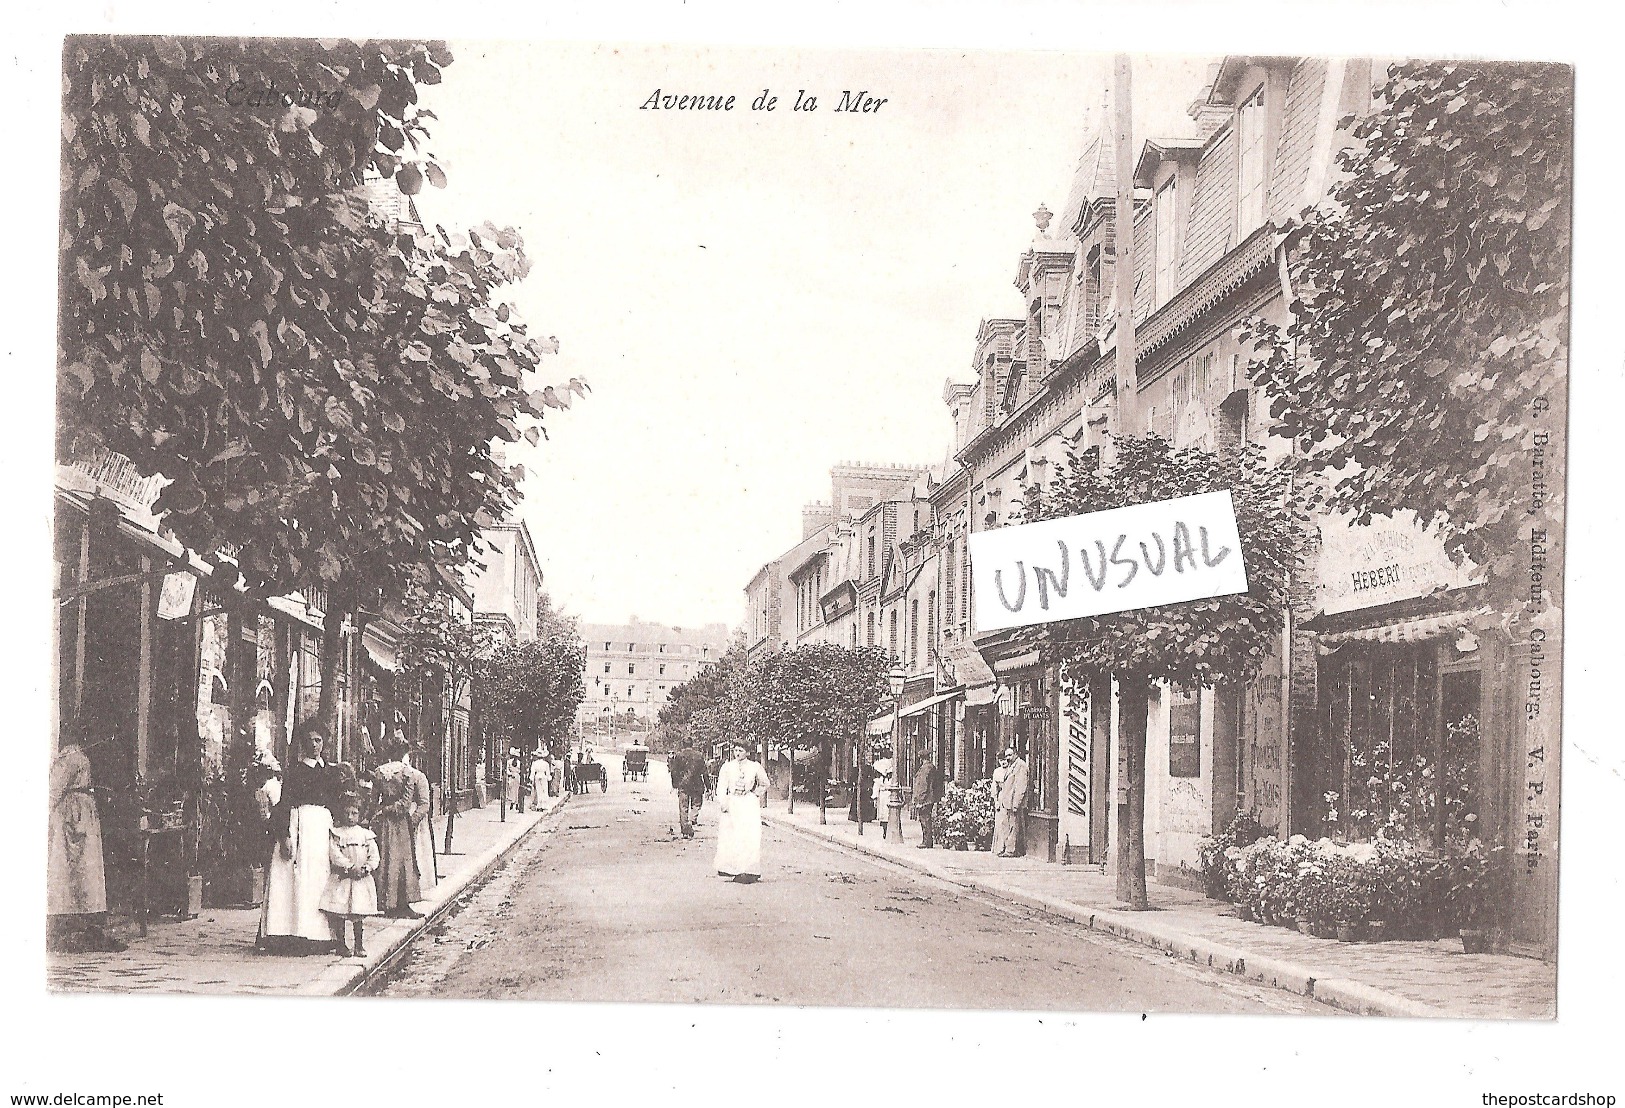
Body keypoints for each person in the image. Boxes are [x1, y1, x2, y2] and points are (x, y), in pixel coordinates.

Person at [259, 726, 341, 954]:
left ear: (324, 743)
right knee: (294, 879)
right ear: (303, 744)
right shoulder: (295, 771)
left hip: (321, 828)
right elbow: (283, 804)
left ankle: (320, 935)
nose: (314, 745)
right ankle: (290, 933)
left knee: (318, 879)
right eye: (310, 741)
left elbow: (335, 804)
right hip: (299, 825)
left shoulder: (330, 772)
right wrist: (284, 835)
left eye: (318, 740)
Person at [47, 730, 122, 952]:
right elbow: (53, 791)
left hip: (82, 812)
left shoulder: (78, 756)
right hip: (72, 814)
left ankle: (89, 923)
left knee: (87, 872)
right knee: (73, 871)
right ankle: (71, 924)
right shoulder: (69, 758)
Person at [372, 738, 428, 918]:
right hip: (401, 823)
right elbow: (405, 804)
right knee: (403, 862)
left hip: (384, 823)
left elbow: (373, 801)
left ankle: (388, 903)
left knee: (386, 860)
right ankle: (403, 905)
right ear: (404, 754)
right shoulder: (407, 774)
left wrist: (380, 812)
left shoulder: (379, 772)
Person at [320, 795, 379, 957]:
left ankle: (359, 944)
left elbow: (374, 856)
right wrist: (349, 866)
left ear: (360, 815)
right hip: (343, 878)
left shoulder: (366, 835)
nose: (350, 817)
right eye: (347, 813)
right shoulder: (337, 833)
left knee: (358, 912)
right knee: (341, 911)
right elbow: (335, 854)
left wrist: (366, 868)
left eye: (354, 813)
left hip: (360, 879)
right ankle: (341, 944)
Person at [714, 742, 769, 882]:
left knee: (748, 835)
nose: (737, 753)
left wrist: (754, 793)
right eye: (735, 750)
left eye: (741, 750)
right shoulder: (728, 767)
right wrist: (723, 801)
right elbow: (721, 786)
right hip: (733, 803)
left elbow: (765, 783)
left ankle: (749, 869)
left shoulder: (754, 766)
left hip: (748, 804)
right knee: (731, 835)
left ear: (747, 752)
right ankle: (731, 868)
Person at [402, 743, 436, 892]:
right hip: (397, 816)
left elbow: (424, 804)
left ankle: (416, 887)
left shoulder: (418, 777)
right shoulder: (388, 774)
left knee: (417, 852)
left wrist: (413, 820)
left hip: (414, 819)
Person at [666, 740, 708, 839]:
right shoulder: (699, 755)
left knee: (683, 807)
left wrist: (674, 784)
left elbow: (674, 771)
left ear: (683, 745)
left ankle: (685, 829)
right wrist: (708, 786)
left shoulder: (679, 756)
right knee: (697, 804)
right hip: (697, 784)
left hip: (683, 784)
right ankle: (693, 818)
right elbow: (705, 772)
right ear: (692, 744)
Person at [995, 747, 1029, 857]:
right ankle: (1006, 848)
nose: (1008, 758)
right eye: (1006, 756)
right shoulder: (1011, 766)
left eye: (1010, 755)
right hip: (1006, 802)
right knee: (1006, 825)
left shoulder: (1021, 766)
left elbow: (1021, 786)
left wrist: (1016, 804)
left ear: (1015, 754)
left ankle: (1011, 850)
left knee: (1013, 827)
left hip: (1013, 802)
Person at [912, 748, 942, 849]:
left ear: (921, 758)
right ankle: (927, 840)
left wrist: (920, 799)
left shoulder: (926, 769)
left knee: (924, 819)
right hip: (928, 797)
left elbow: (923, 785)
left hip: (925, 798)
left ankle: (927, 841)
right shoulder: (930, 767)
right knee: (926, 819)